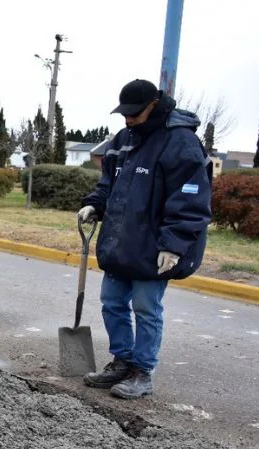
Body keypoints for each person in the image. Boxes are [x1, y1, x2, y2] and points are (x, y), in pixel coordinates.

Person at [79, 79, 212, 400]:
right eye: (124, 113)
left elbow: (190, 199)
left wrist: (174, 245)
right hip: (121, 241)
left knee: (145, 307)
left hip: (155, 245)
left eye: (134, 113)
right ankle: (122, 361)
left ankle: (142, 372)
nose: (128, 119)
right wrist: (95, 204)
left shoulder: (180, 142)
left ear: (154, 105)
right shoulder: (123, 139)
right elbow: (108, 183)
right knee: (112, 302)